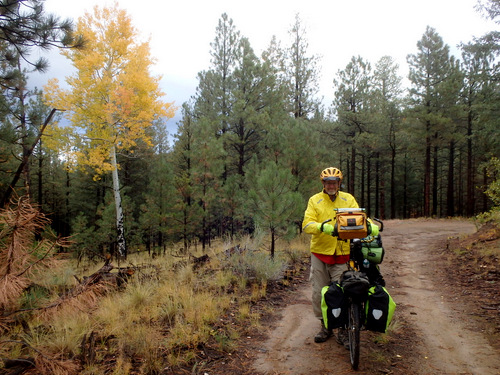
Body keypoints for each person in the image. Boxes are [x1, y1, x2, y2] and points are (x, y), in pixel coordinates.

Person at [302, 167, 378, 345]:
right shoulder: (315, 200)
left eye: (334, 182)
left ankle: (344, 329)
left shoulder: (347, 198)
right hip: (320, 252)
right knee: (319, 293)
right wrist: (323, 227)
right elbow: (307, 224)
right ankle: (326, 326)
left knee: (344, 291)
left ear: (338, 183)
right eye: (328, 182)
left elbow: (360, 217)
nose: (331, 185)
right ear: (323, 183)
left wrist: (371, 225)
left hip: (343, 252)